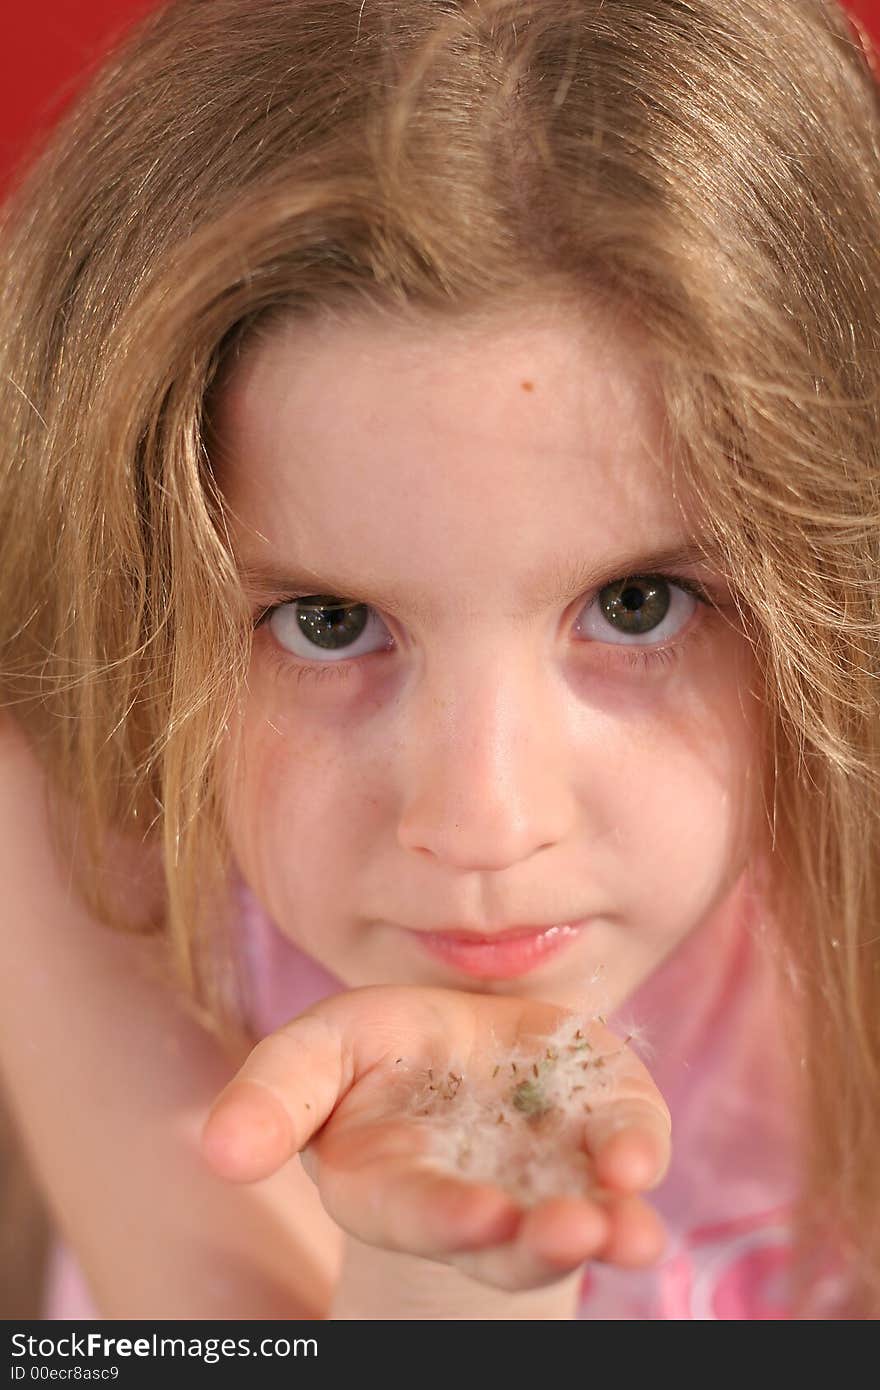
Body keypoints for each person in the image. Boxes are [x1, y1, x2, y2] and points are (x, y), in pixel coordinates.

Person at [0, 0, 878, 1321]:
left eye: (638, 604)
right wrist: (453, 1263)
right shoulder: (81, 830)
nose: (483, 824)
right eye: (328, 623)